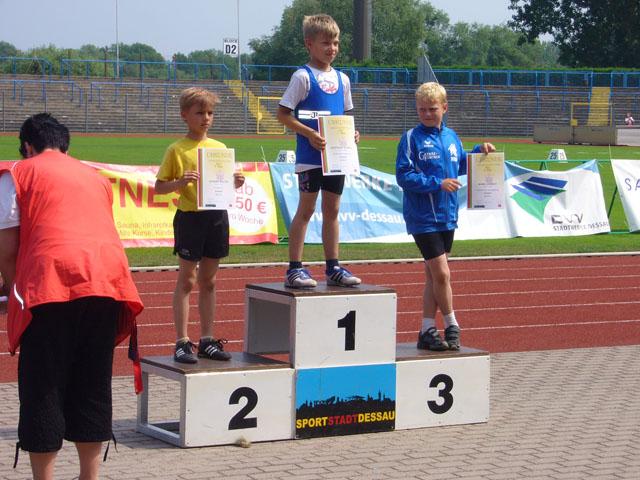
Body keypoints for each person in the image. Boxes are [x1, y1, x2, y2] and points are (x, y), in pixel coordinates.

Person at [0, 113, 143, 480]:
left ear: (27, 146)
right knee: (92, 382)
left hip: (50, 285)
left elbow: (7, 248)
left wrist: (13, 290)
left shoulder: (17, 172)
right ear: (65, 145)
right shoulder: (95, 176)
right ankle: (88, 476)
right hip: (107, 282)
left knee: (43, 385)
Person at [395, 82, 495, 351]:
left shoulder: (452, 137)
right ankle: (452, 324)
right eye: (422, 109)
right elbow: (403, 176)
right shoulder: (410, 138)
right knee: (442, 274)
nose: (427, 114)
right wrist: (437, 183)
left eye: (432, 109)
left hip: (447, 215)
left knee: (433, 277)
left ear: (444, 108)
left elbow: (459, 164)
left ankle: (426, 330)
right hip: (422, 217)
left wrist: (479, 152)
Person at [154, 87, 245, 364]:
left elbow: (224, 185)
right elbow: (159, 187)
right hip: (190, 218)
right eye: (200, 113)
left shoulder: (219, 149)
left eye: (210, 113)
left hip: (216, 217)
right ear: (185, 115)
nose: (206, 118)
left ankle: (207, 340)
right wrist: (180, 183)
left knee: (210, 281)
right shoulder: (176, 149)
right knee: (187, 280)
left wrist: (235, 182)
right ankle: (182, 342)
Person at [276, 14, 361, 289]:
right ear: (309, 44)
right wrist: (310, 134)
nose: (332, 48)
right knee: (306, 209)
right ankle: (294, 268)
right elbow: (282, 114)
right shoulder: (302, 77)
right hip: (310, 158)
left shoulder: (343, 79)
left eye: (335, 43)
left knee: (332, 209)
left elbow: (345, 117)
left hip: (336, 158)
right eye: (326, 43)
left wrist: (352, 134)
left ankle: (333, 266)